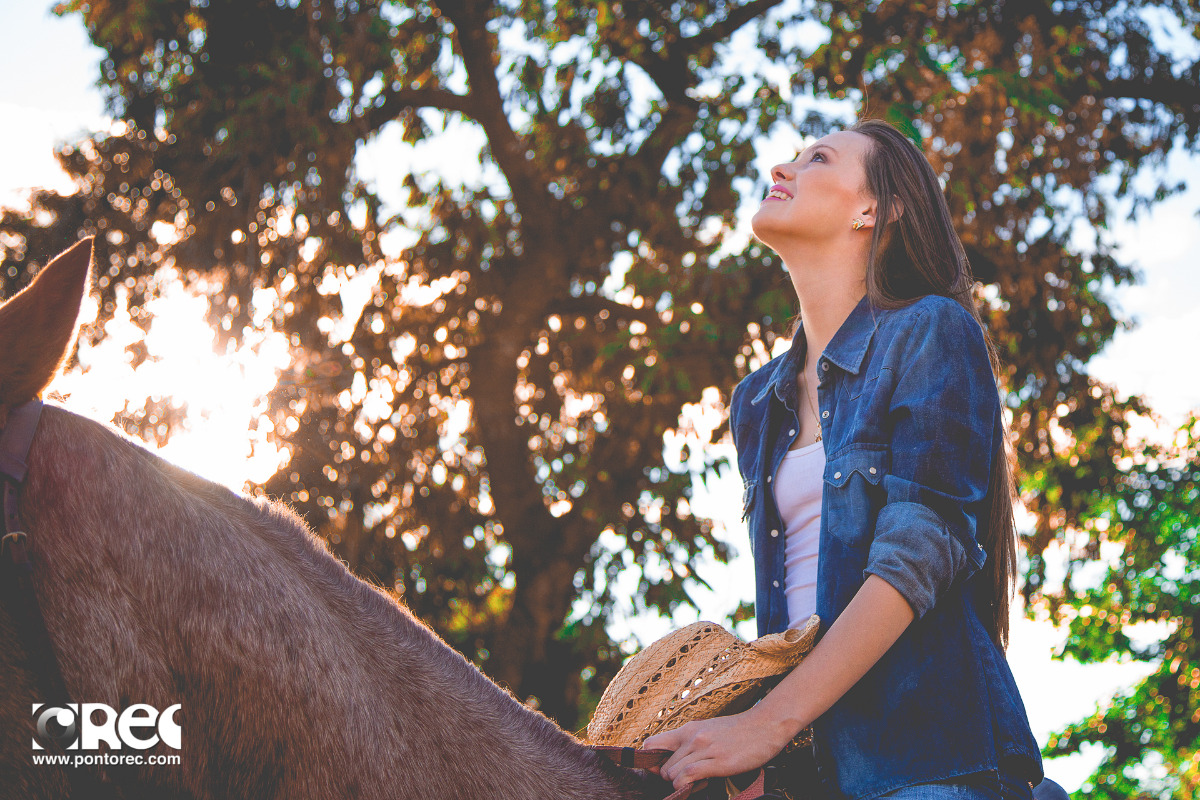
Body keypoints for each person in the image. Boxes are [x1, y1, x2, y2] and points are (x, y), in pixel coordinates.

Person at [642, 119, 1045, 799]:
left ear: (874, 209)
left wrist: (768, 723)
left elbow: (917, 555)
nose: (784, 166)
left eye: (818, 157)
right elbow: (794, 603)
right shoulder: (757, 401)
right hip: (816, 773)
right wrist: (760, 745)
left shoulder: (929, 332)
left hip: (928, 766)